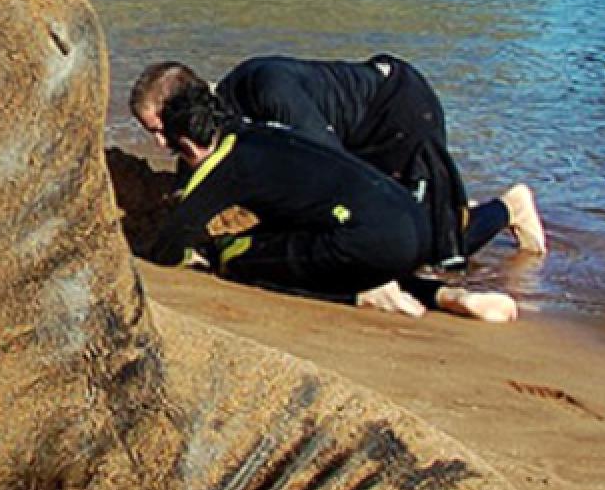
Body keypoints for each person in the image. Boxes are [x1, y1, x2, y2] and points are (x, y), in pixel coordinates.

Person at [138, 86, 516, 323]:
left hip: (374, 242)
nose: (160, 146)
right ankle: (443, 295)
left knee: (232, 256)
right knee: (297, 241)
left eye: (160, 136)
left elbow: (168, 249)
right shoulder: (256, 133)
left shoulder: (221, 166)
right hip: (413, 223)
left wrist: (192, 251)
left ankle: (361, 293)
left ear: (184, 139)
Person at [128, 55, 544, 269]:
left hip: (400, 113)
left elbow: (333, 170)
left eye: (161, 129)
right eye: (153, 135)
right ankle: (454, 211)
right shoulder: (212, 133)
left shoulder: (266, 90)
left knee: (431, 251)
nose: (161, 142)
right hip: (359, 128)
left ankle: (509, 207)